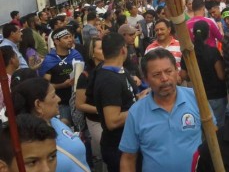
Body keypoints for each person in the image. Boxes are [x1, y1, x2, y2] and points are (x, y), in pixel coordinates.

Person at [119, 48, 203, 172]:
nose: (164, 78)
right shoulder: (136, 112)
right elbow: (128, 158)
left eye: (168, 71)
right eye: (156, 75)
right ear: (146, 80)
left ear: (176, 71)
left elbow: (213, 138)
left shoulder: (196, 99)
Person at [12, 77, 90, 172]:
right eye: (53, 96)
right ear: (38, 105)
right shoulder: (30, 141)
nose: (59, 99)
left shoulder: (54, 120)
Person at [92, 32, 138, 172]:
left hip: (128, 145)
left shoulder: (119, 71)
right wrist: (140, 106)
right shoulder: (109, 79)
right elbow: (112, 121)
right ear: (123, 50)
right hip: (118, 148)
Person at [181, 20, 226, 128]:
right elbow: (221, 75)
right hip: (216, 96)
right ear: (208, 33)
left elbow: (183, 75)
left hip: (197, 96)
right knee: (218, 128)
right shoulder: (213, 52)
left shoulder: (187, 54)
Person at [38, 28, 83, 125]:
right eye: (66, 38)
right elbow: (45, 85)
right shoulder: (49, 60)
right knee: (64, 124)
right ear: (56, 41)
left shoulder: (76, 54)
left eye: (70, 37)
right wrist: (62, 85)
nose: (70, 39)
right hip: (62, 103)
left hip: (79, 100)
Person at [75, 37, 104, 172]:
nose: (105, 50)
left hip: (116, 119)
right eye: (100, 48)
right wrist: (102, 110)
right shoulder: (86, 75)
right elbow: (80, 104)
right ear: (92, 53)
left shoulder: (113, 69)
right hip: (96, 121)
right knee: (106, 154)